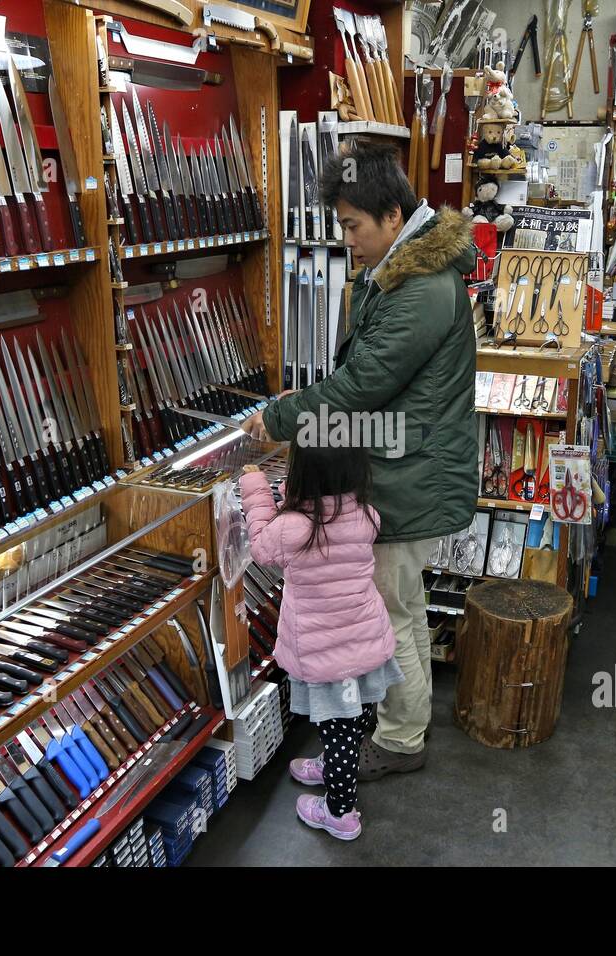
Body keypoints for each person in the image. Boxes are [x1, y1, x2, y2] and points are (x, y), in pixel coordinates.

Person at [241, 138, 478, 780]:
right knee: (392, 605)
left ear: (394, 218)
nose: (346, 239)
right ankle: (388, 722)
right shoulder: (401, 274)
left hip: (410, 473)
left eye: (352, 225)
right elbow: (361, 376)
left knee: (393, 609)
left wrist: (285, 417)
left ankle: (402, 739)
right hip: (399, 466)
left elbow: (362, 384)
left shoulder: (423, 287)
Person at [238, 446, 402, 840]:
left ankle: (339, 812)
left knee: (338, 729)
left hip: (328, 655)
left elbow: (259, 545)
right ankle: (332, 762)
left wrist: (256, 486)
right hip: (363, 639)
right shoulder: (365, 515)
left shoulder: (294, 527)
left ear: (303, 477)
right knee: (357, 719)